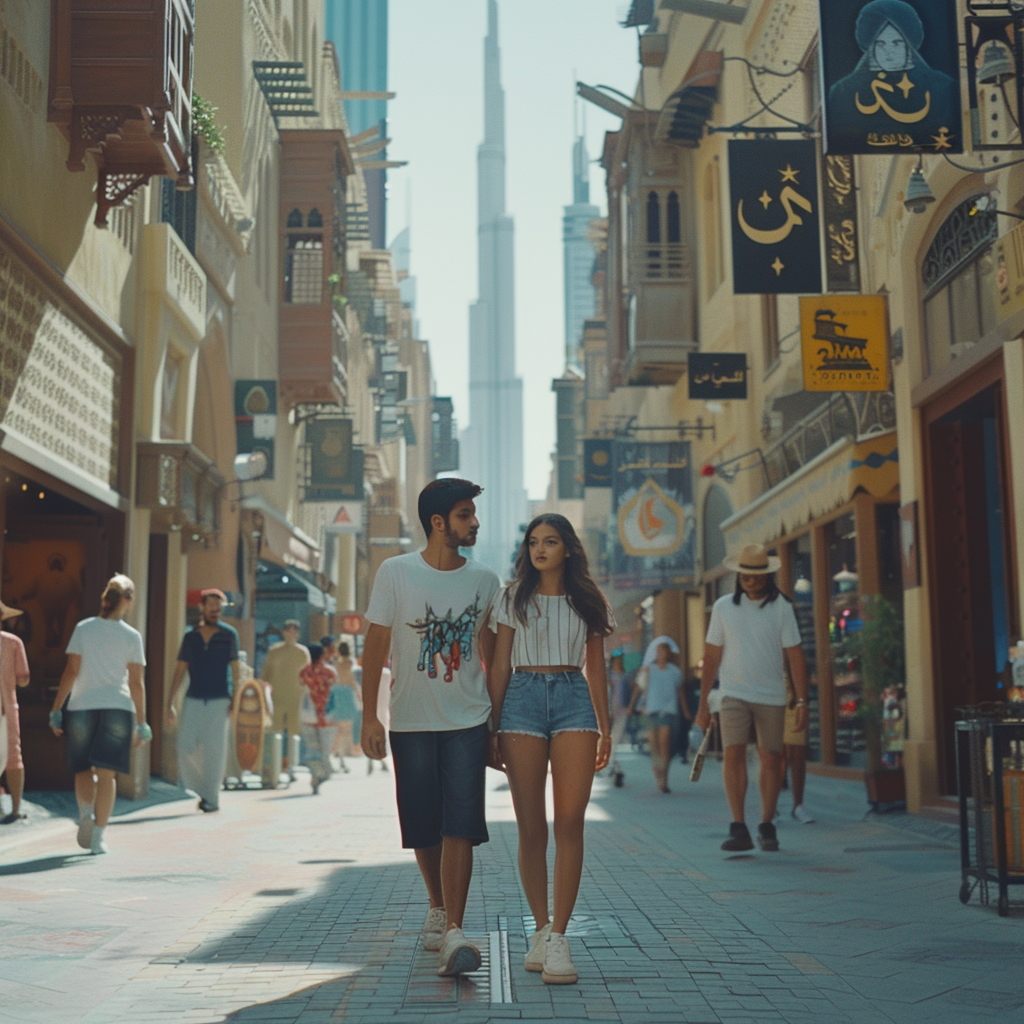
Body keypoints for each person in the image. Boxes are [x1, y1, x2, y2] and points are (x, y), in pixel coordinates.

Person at [360, 479, 501, 978]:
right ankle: (438, 906)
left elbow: (490, 651)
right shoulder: (395, 572)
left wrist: (496, 721)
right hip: (412, 719)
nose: (475, 523)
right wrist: (369, 716)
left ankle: (456, 929)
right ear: (439, 522)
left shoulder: (485, 579)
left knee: (460, 823)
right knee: (423, 822)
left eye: (473, 515)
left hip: (468, 717)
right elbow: (375, 646)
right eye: (465, 515)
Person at [490, 513, 613, 986]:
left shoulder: (588, 600)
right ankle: (540, 928)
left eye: (551, 541)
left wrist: (605, 728)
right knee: (530, 826)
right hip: (521, 700)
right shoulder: (510, 597)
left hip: (572, 699)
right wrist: (493, 725)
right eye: (534, 542)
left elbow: (597, 671)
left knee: (569, 822)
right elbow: (499, 664)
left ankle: (560, 936)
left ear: (568, 548)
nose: (541, 549)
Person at [696, 546, 808, 853]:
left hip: (772, 696)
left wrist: (802, 701)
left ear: (767, 576)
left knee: (771, 758)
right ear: (739, 575)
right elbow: (711, 655)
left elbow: (795, 656)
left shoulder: (782, 607)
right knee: (733, 753)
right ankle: (738, 826)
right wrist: (703, 704)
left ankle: (767, 824)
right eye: (745, 573)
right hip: (733, 694)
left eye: (757, 574)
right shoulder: (722, 607)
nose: (750, 579)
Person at [48, 575, 149, 854]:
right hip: (118, 707)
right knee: (107, 776)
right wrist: (141, 722)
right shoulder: (132, 636)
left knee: (82, 768)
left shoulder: (84, 628)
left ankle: (84, 815)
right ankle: (99, 837)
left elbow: (71, 671)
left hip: (82, 706)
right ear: (127, 601)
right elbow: (137, 683)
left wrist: (57, 708)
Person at [826, 1, 959, 151]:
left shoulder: (943, 88)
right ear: (871, 47)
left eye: (896, 43)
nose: (889, 52)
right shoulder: (842, 93)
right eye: (881, 44)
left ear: (908, 45)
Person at [167, 589, 242, 813]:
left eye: (218, 608)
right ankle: (202, 789)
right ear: (201, 607)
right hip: (193, 698)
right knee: (184, 745)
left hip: (220, 700)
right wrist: (170, 701)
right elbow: (180, 670)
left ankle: (212, 799)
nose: (214, 611)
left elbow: (236, 671)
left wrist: (235, 700)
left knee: (215, 752)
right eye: (210, 606)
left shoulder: (229, 635)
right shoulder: (190, 637)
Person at [631, 639, 684, 793]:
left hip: (668, 712)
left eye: (665, 651)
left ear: (668, 653)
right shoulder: (649, 669)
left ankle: (664, 780)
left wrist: (686, 712)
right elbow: (639, 688)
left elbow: (680, 691)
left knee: (665, 745)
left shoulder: (675, 671)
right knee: (654, 747)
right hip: (650, 712)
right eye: (659, 651)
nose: (662, 654)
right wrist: (630, 706)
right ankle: (657, 770)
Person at [261, 620, 310, 773]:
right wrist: (264, 692)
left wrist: (307, 694)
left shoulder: (303, 652)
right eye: (288, 630)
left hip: (295, 697)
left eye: (294, 631)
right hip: (276, 698)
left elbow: (308, 675)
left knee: (293, 733)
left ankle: (291, 766)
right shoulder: (274, 651)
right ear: (283, 633)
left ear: (298, 634)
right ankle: (273, 765)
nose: (291, 634)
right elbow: (265, 674)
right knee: (275, 731)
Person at [0, 600, 31, 824]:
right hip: (5, 708)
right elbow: (23, 679)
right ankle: (16, 808)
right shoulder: (12, 643)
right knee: (13, 756)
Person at [299, 643, 340, 794]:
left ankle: (316, 775)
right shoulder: (330, 672)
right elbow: (335, 693)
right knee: (325, 751)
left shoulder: (303, 672)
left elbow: (301, 691)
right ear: (322, 655)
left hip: (308, 716)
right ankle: (324, 774)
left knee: (312, 750)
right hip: (328, 717)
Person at [783, 671, 814, 824]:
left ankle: (798, 805)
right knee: (773, 756)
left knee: (798, 753)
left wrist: (802, 701)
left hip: (793, 700)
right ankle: (769, 808)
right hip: (769, 697)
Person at [331, 640, 363, 772]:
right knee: (348, 728)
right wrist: (359, 695)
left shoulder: (335, 664)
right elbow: (353, 681)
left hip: (338, 693)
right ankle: (342, 758)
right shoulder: (351, 663)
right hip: (349, 694)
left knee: (339, 728)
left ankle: (339, 758)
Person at [603, 650, 630, 786]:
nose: (618, 663)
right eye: (616, 661)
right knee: (609, 740)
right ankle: (612, 768)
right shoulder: (608, 677)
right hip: (609, 712)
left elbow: (630, 692)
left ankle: (612, 767)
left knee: (615, 740)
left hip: (622, 712)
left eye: (620, 660)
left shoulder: (626, 676)